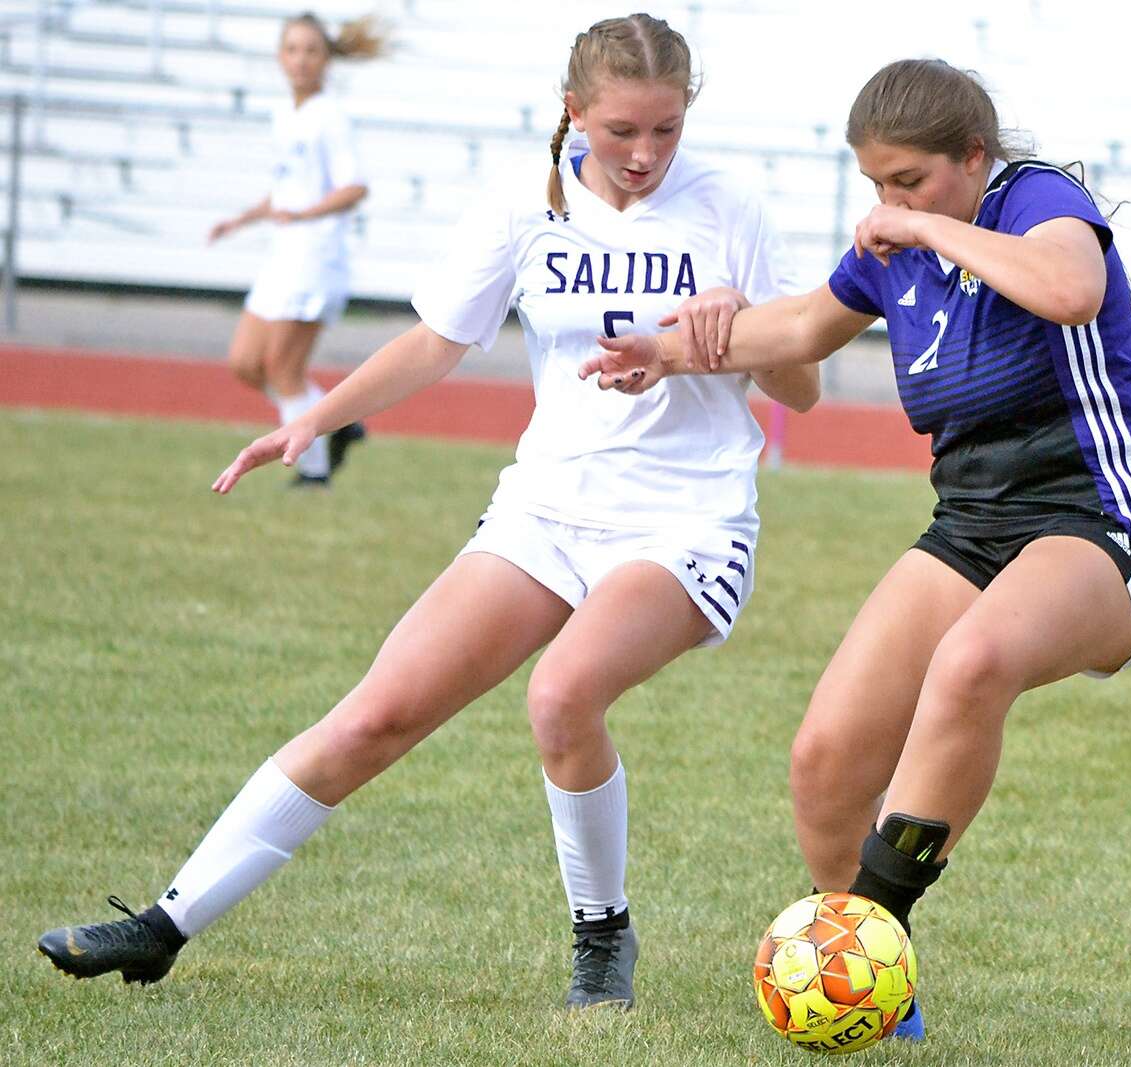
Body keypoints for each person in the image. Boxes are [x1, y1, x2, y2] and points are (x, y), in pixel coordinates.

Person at [36, 13, 819, 1011]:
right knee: (377, 713)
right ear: (572, 110)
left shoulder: (730, 206)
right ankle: (161, 924)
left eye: (666, 130)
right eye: (622, 129)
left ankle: (601, 934)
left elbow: (804, 387)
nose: (644, 154)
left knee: (560, 695)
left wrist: (733, 330)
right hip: (545, 507)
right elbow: (436, 341)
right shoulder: (521, 202)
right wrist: (310, 420)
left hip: (686, 521)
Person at [580, 58, 1131, 1039]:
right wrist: (669, 346)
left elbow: (1071, 290)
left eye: (908, 181)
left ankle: (867, 937)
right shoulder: (895, 245)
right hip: (973, 528)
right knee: (825, 761)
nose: (885, 206)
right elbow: (801, 328)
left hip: (1109, 524)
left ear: (973, 159)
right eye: (875, 186)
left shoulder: (1039, 200)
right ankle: (879, 1001)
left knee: (972, 661)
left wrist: (927, 224)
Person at [208, 12, 387, 487]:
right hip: (283, 253)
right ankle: (338, 421)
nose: (301, 59)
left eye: (311, 50)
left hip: (315, 257)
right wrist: (241, 219)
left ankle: (313, 471)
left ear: (325, 59)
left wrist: (306, 215)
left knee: (283, 368)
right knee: (245, 364)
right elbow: (287, 191)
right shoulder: (286, 114)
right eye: (292, 49)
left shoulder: (330, 117)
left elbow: (354, 188)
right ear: (279, 57)